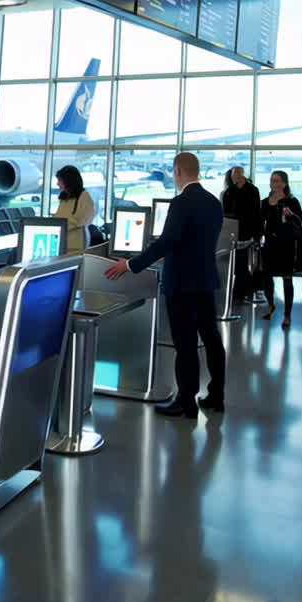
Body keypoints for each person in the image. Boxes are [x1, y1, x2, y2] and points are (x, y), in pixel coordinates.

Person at [105, 152, 226, 421]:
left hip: (181, 282)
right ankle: (216, 395)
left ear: (178, 172)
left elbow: (166, 243)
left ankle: (186, 401)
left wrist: (131, 264)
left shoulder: (181, 203)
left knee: (185, 343)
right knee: (211, 338)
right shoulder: (213, 202)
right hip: (205, 280)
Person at [260, 170, 302, 329]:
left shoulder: (292, 201)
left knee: (287, 278)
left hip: (286, 244)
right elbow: (259, 223)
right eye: (273, 180)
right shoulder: (264, 202)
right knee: (266, 277)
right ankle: (271, 304)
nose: (275, 183)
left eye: (278, 180)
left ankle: (287, 314)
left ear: (285, 183)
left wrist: (291, 214)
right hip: (270, 244)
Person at [222, 165, 261, 300]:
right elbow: (225, 210)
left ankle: (244, 291)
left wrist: (257, 234)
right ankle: (234, 292)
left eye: (239, 174)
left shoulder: (252, 190)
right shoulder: (228, 192)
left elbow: (256, 212)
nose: (237, 177)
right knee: (233, 263)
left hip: (246, 231)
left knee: (244, 263)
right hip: (231, 231)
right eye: (234, 174)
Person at [54, 164, 95, 255]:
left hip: (75, 246)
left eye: (60, 181)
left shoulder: (84, 196)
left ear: (69, 181)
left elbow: (80, 220)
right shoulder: (65, 198)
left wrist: (58, 225)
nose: (58, 184)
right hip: (63, 244)